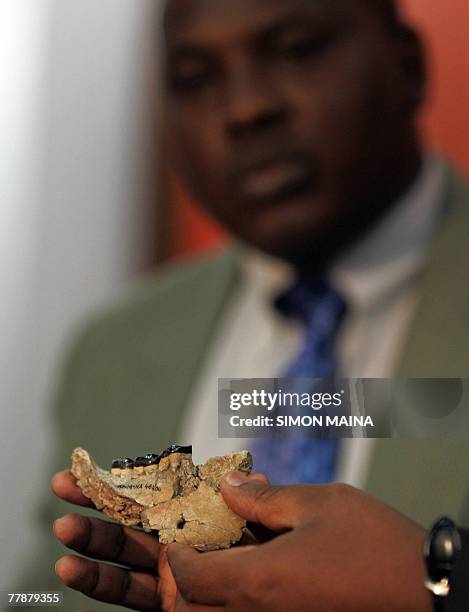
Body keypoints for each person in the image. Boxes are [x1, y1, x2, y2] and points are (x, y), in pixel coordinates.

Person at [22, 0, 469, 609]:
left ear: (408, 64)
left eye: (294, 50)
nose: (246, 109)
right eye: (195, 79)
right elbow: (38, 597)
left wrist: (446, 587)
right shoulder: (113, 349)